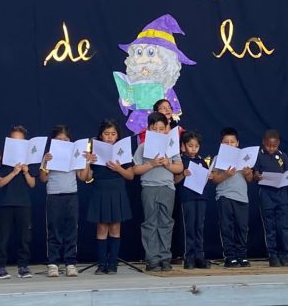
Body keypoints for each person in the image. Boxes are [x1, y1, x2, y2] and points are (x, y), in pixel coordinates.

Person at [132, 112, 183, 271]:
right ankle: (152, 258)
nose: (158, 132)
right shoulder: (142, 146)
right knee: (150, 223)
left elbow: (180, 167)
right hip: (149, 187)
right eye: (154, 129)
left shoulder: (171, 147)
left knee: (166, 222)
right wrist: (152, 164)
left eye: (161, 129)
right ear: (148, 129)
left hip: (167, 187)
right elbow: (135, 169)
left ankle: (165, 257)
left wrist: (168, 164)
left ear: (167, 129)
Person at [83, 119, 135, 274]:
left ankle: (112, 263)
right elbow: (86, 178)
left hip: (117, 190)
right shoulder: (95, 151)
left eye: (113, 134)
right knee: (102, 227)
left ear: (117, 135)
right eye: (106, 134)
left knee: (115, 227)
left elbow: (131, 176)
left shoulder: (122, 150)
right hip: (100, 190)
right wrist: (87, 162)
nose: (110, 137)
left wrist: (119, 168)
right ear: (101, 135)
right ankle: (101, 263)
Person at [39, 125, 90, 278]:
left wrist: (87, 162)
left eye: (65, 139)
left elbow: (83, 177)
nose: (62, 142)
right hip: (54, 196)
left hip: (71, 195)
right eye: (59, 139)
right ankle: (53, 263)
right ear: (53, 141)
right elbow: (43, 179)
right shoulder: (49, 156)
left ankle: (70, 263)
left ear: (70, 141)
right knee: (54, 230)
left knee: (71, 230)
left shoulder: (75, 154)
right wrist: (45, 162)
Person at [0, 125, 36, 279]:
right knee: (3, 237)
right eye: (14, 140)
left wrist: (25, 172)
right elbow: (0, 183)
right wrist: (13, 172)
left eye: (20, 141)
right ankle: (0, 267)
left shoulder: (29, 161)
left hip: (23, 203)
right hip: (6, 203)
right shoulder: (4, 160)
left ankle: (23, 266)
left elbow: (32, 184)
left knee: (25, 237)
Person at [212, 127, 254, 267]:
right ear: (221, 144)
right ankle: (230, 256)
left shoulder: (244, 157)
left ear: (238, 143)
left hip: (242, 197)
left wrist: (248, 173)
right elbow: (214, 179)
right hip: (224, 195)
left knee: (242, 228)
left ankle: (241, 255)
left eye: (232, 142)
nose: (230, 145)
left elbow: (250, 179)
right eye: (226, 142)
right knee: (227, 227)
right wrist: (225, 174)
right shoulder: (218, 158)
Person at [173, 130, 212, 269]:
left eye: (196, 146)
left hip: (201, 197)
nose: (193, 149)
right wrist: (183, 174)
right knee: (188, 226)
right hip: (187, 197)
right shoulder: (180, 161)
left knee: (199, 227)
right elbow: (174, 181)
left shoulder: (202, 161)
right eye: (190, 146)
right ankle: (188, 257)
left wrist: (209, 176)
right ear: (183, 146)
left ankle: (199, 256)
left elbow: (206, 178)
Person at [253, 129, 288, 267]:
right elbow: (255, 174)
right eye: (268, 145)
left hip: (281, 195)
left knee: (283, 227)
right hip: (266, 194)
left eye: (274, 146)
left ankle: (284, 255)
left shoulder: (282, 156)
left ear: (278, 143)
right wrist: (256, 176)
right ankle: (273, 255)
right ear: (263, 142)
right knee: (270, 227)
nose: (271, 148)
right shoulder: (259, 156)